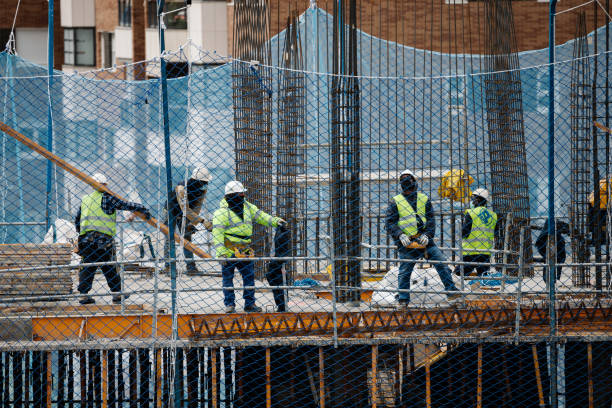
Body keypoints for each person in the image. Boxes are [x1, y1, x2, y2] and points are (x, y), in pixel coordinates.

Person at [385, 169, 459, 307]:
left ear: (414, 181)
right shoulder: (396, 201)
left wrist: (427, 234)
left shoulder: (424, 199)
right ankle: (403, 299)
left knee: (442, 263)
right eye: (403, 179)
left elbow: (431, 220)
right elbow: (390, 222)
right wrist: (400, 234)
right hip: (407, 242)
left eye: (408, 178)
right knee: (405, 271)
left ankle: (451, 292)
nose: (406, 181)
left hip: (425, 241)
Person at [75, 173, 150, 305]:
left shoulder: (85, 199)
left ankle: (83, 295)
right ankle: (117, 294)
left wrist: (81, 234)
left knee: (87, 267)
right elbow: (126, 205)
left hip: (86, 240)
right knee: (110, 267)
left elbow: (77, 220)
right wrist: (143, 209)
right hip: (103, 241)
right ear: (104, 185)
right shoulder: (107, 198)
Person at [212, 181, 286, 313]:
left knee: (249, 277)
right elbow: (217, 234)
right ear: (232, 195)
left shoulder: (247, 207)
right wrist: (221, 253)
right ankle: (230, 304)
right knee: (228, 278)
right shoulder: (221, 213)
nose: (242, 195)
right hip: (229, 250)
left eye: (242, 193)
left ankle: (249, 304)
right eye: (240, 194)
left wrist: (275, 221)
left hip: (244, 249)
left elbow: (261, 216)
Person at [163, 167, 212, 275]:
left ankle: (191, 267)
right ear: (196, 181)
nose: (205, 184)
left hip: (186, 213)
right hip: (171, 210)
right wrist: (203, 221)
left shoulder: (202, 189)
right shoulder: (182, 187)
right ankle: (169, 266)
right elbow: (184, 208)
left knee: (187, 238)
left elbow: (196, 208)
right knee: (169, 237)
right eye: (203, 182)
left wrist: (191, 223)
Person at [461, 188, 498, 277]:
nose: (472, 201)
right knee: (483, 277)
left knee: (460, 274)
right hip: (485, 252)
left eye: (473, 199)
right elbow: (495, 233)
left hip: (470, 251)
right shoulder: (493, 215)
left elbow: (465, 233)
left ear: (477, 199)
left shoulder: (471, 213)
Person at [535, 218, 569, 283]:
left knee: (548, 259)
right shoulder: (554, 223)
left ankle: (552, 278)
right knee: (553, 259)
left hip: (546, 245)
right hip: (546, 244)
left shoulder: (554, 222)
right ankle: (554, 278)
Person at [266, 224, 291, 312]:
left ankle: (282, 305)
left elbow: (282, 250)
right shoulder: (278, 233)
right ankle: (282, 305)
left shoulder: (282, 233)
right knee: (275, 280)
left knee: (276, 280)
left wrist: (277, 262)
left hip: (278, 261)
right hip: (276, 260)